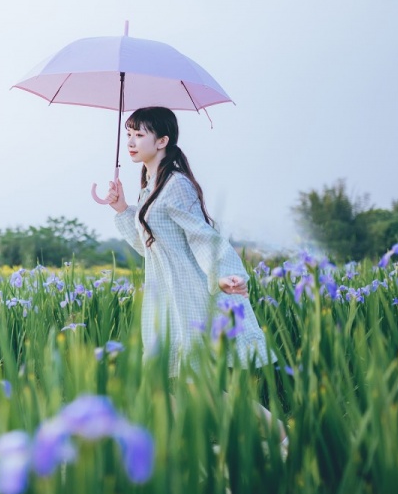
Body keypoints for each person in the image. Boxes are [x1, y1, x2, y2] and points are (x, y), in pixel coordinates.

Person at [101, 106, 272, 378]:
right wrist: (123, 208)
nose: (131, 142)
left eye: (139, 135)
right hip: (167, 298)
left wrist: (224, 275)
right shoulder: (150, 188)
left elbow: (202, 236)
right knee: (172, 386)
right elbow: (151, 248)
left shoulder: (175, 184)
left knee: (194, 387)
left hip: (188, 295)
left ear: (162, 141)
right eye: (128, 134)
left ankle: (274, 424)